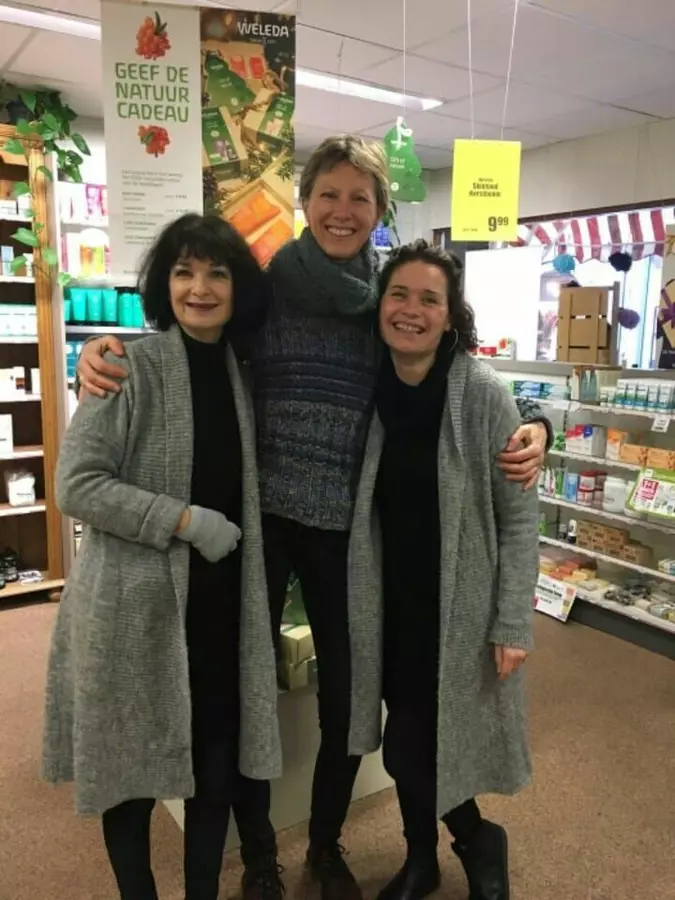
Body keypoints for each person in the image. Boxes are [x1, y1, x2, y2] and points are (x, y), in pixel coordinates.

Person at [73, 136, 550, 900]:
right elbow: (193, 341)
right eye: (329, 193)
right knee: (248, 695)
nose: (342, 210)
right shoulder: (262, 293)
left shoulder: (383, 302)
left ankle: (324, 845)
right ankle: (261, 854)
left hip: (346, 535)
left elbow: (444, 372)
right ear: (305, 200)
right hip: (257, 529)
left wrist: (535, 424)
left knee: (348, 704)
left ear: (379, 211)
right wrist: (104, 354)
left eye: (359, 197)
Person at [42, 214, 283, 900]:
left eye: (216, 273)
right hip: (133, 609)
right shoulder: (128, 366)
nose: (199, 288)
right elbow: (76, 485)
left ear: (238, 288)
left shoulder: (242, 374)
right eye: (183, 272)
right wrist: (182, 520)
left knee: (213, 770)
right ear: (163, 284)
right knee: (130, 775)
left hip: (219, 608)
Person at [347, 240, 541, 900]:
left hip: (459, 607)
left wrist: (511, 622)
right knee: (405, 742)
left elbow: (518, 519)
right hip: (389, 603)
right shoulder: (367, 384)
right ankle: (422, 859)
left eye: (429, 299)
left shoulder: (481, 395)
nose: (411, 310)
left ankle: (476, 840)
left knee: (425, 742)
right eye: (398, 294)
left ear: (450, 315)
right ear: (379, 306)